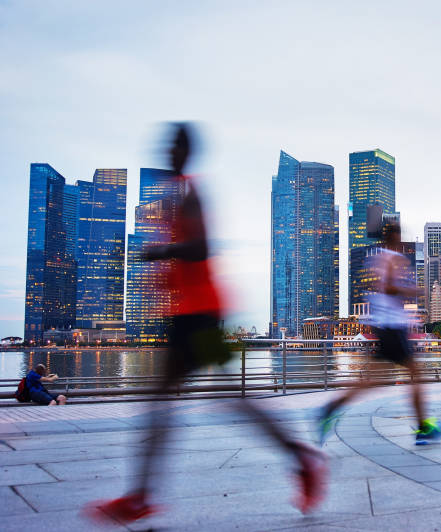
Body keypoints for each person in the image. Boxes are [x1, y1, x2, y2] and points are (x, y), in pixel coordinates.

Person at [86, 124, 327, 525]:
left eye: (175, 145)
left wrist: (161, 251)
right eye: (168, 145)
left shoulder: (191, 195)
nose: (168, 152)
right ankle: (301, 458)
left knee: (184, 400)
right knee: (214, 399)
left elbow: (201, 247)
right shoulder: (179, 194)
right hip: (191, 315)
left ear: (185, 151)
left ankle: (142, 495)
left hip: (198, 316)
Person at [316, 221, 441, 446]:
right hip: (393, 327)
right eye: (399, 234)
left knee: (374, 379)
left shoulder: (375, 258)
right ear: (394, 236)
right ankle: (423, 427)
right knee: (415, 375)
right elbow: (388, 288)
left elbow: (379, 289)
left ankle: (332, 407)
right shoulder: (392, 259)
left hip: (386, 327)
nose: (401, 238)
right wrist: (414, 290)